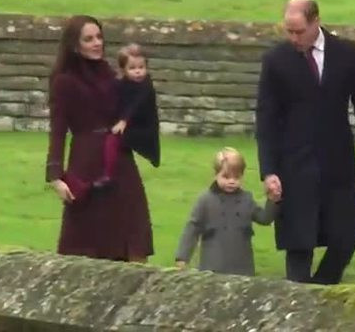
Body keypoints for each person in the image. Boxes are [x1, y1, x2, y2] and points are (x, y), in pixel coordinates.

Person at [255, 0, 355, 284]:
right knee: (299, 244)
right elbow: (266, 119)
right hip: (294, 165)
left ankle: (319, 290)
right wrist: (269, 171)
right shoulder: (276, 60)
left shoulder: (347, 53)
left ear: (316, 22)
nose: (293, 37)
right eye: (288, 30)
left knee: (345, 240)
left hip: (338, 163)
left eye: (298, 31)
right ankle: (299, 305)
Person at [45, 15, 156, 263]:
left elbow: (137, 99)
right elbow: (58, 129)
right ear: (75, 45)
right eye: (89, 39)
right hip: (86, 162)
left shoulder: (109, 73)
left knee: (133, 235)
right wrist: (55, 176)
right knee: (87, 246)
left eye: (99, 37)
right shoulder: (64, 81)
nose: (97, 43)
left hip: (120, 158)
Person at [175, 147, 278, 276]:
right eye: (226, 176)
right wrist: (182, 257)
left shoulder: (246, 199)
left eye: (237, 177)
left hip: (242, 269)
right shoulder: (205, 200)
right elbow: (192, 228)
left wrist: (272, 200)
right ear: (216, 174)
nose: (231, 181)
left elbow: (264, 219)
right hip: (212, 267)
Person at [94, 43, 160, 189]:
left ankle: (108, 176)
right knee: (102, 136)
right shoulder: (122, 83)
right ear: (124, 69)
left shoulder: (146, 86)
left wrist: (124, 120)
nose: (138, 72)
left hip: (143, 129)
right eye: (132, 68)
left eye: (141, 67)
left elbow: (136, 104)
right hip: (129, 124)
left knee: (113, 139)